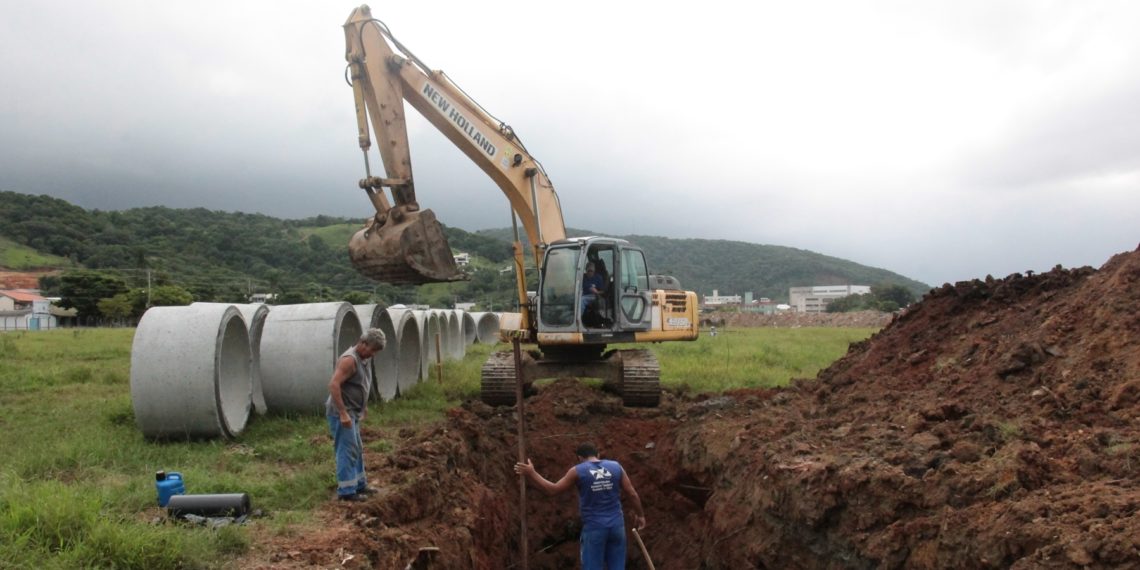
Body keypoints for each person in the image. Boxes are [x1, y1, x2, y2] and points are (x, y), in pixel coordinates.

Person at [515, 443, 647, 570]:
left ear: (579, 457)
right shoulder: (616, 467)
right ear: (598, 454)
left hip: (594, 529)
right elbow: (632, 493)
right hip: (617, 528)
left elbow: (552, 490)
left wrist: (531, 473)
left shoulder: (578, 471)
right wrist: (640, 515)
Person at [326, 328, 386, 502]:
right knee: (347, 450)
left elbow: (360, 385)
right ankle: (346, 492)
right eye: (372, 350)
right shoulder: (349, 360)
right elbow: (334, 385)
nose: (373, 354)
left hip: (353, 411)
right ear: (363, 343)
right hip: (342, 414)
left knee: (356, 448)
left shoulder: (363, 358)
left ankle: (360, 484)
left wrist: (363, 406)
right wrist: (343, 413)